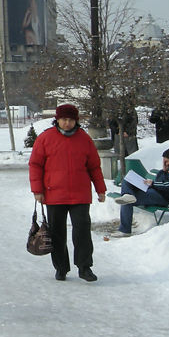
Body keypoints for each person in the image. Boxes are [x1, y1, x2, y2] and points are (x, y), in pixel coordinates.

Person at [28, 103, 107, 282]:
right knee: (57, 233)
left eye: (71, 120)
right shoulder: (45, 138)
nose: (67, 123)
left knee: (82, 231)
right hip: (54, 194)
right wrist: (37, 190)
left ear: (76, 121)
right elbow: (35, 165)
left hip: (80, 194)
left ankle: (85, 267)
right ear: (57, 119)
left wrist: (100, 189)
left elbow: (94, 166)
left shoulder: (84, 139)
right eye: (64, 119)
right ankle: (61, 267)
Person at [113, 147, 169, 236]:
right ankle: (127, 195)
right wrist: (163, 171)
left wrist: (153, 184)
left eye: (167, 161)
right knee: (127, 180)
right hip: (154, 192)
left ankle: (125, 230)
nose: (166, 164)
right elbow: (159, 179)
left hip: (163, 197)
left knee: (127, 201)